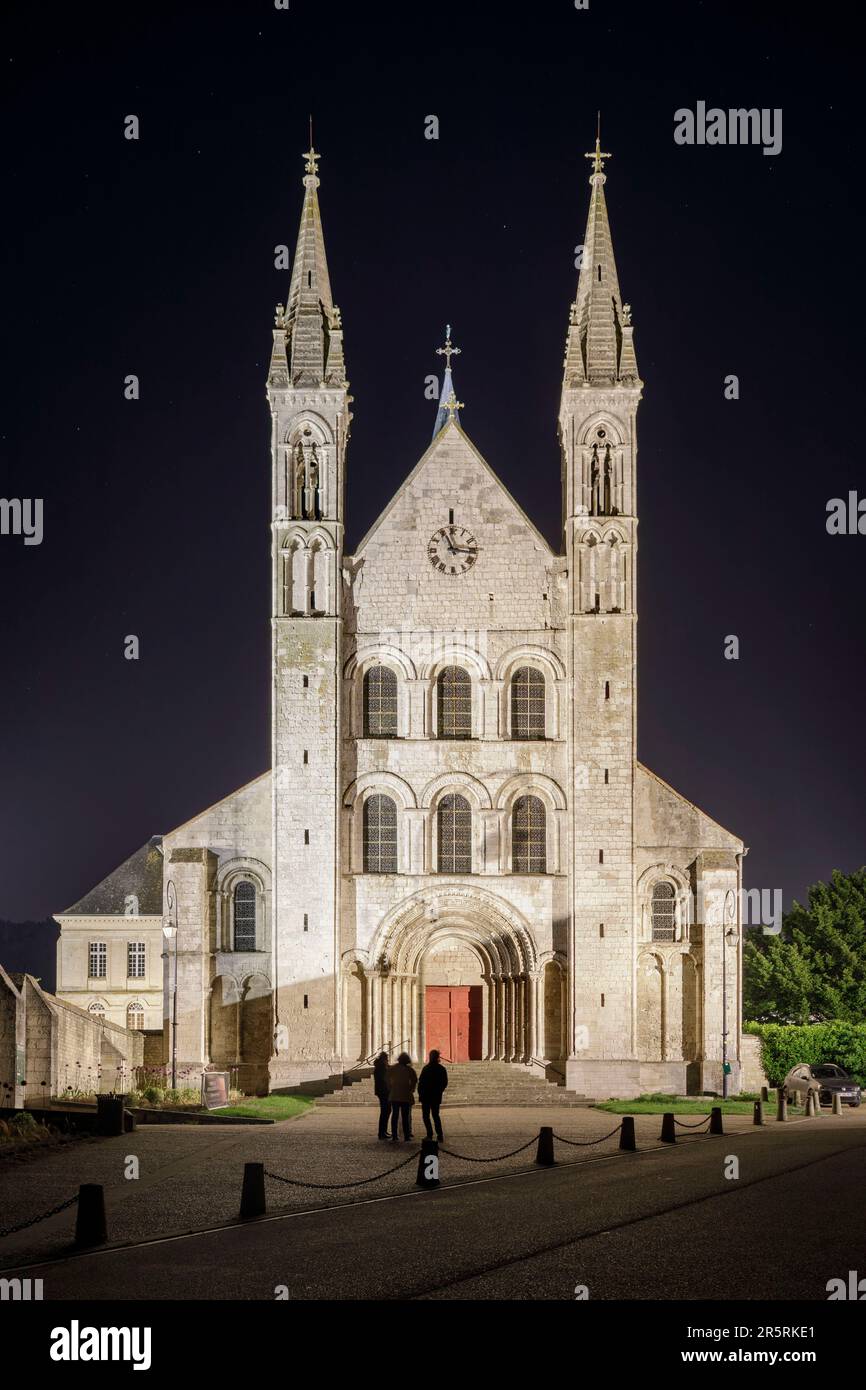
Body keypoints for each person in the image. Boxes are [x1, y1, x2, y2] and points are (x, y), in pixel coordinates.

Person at [418, 1049, 448, 1141]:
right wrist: (439, 1091)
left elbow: (421, 1082)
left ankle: (430, 1134)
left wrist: (420, 1093)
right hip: (435, 1096)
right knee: (435, 1116)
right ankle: (440, 1135)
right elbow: (444, 1082)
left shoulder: (426, 1068)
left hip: (426, 1096)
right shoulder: (441, 1069)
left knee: (426, 1116)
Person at [388, 1052, 417, 1142]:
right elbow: (414, 1080)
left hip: (395, 1095)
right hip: (405, 1095)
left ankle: (395, 1135)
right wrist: (411, 1089)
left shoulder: (393, 1068)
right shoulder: (410, 1070)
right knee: (405, 1116)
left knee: (395, 1115)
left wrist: (390, 1088)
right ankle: (407, 1136)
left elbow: (386, 1079)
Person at [372, 1051, 390, 1140]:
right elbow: (384, 1080)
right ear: (384, 1059)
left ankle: (383, 1131)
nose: (388, 1060)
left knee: (386, 1111)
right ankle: (381, 1132)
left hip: (381, 1091)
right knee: (385, 1111)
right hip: (384, 1092)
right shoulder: (381, 1068)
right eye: (387, 1059)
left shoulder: (380, 1067)